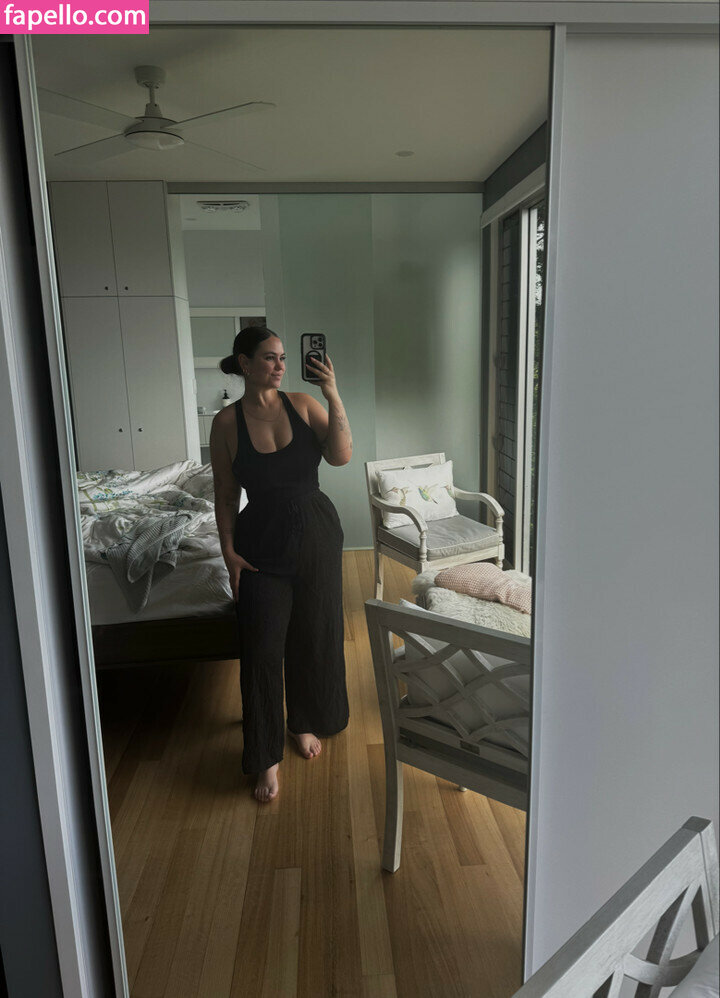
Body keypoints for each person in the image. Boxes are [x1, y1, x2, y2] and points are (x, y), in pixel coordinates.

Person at [209, 326, 352, 802]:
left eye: (283, 357)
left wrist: (332, 393)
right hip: (260, 544)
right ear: (245, 363)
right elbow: (226, 492)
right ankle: (266, 755)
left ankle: (304, 721)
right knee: (262, 647)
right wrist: (228, 550)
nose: (280, 365)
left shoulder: (304, 404)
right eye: (269, 357)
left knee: (316, 633)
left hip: (317, 533)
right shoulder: (226, 423)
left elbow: (341, 456)